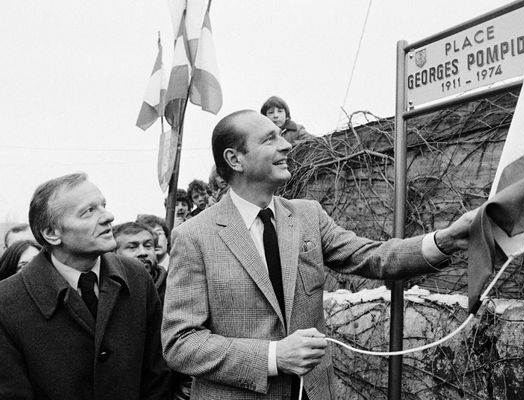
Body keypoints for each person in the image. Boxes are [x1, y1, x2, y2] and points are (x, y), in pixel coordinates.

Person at [161, 110, 476, 400]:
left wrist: (446, 240)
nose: (287, 145)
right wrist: (273, 357)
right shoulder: (193, 236)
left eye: (282, 135)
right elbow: (180, 343)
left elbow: (374, 256)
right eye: (270, 139)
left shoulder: (308, 215)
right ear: (235, 159)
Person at [0, 173, 171, 400]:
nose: (108, 216)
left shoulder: (136, 276)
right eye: (88, 211)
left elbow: (157, 374)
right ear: (51, 234)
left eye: (103, 205)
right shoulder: (6, 303)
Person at [113, 222, 168, 303]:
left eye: (148, 246)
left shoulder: (171, 287)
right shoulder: (108, 290)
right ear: (114, 253)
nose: (143, 253)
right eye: (132, 247)